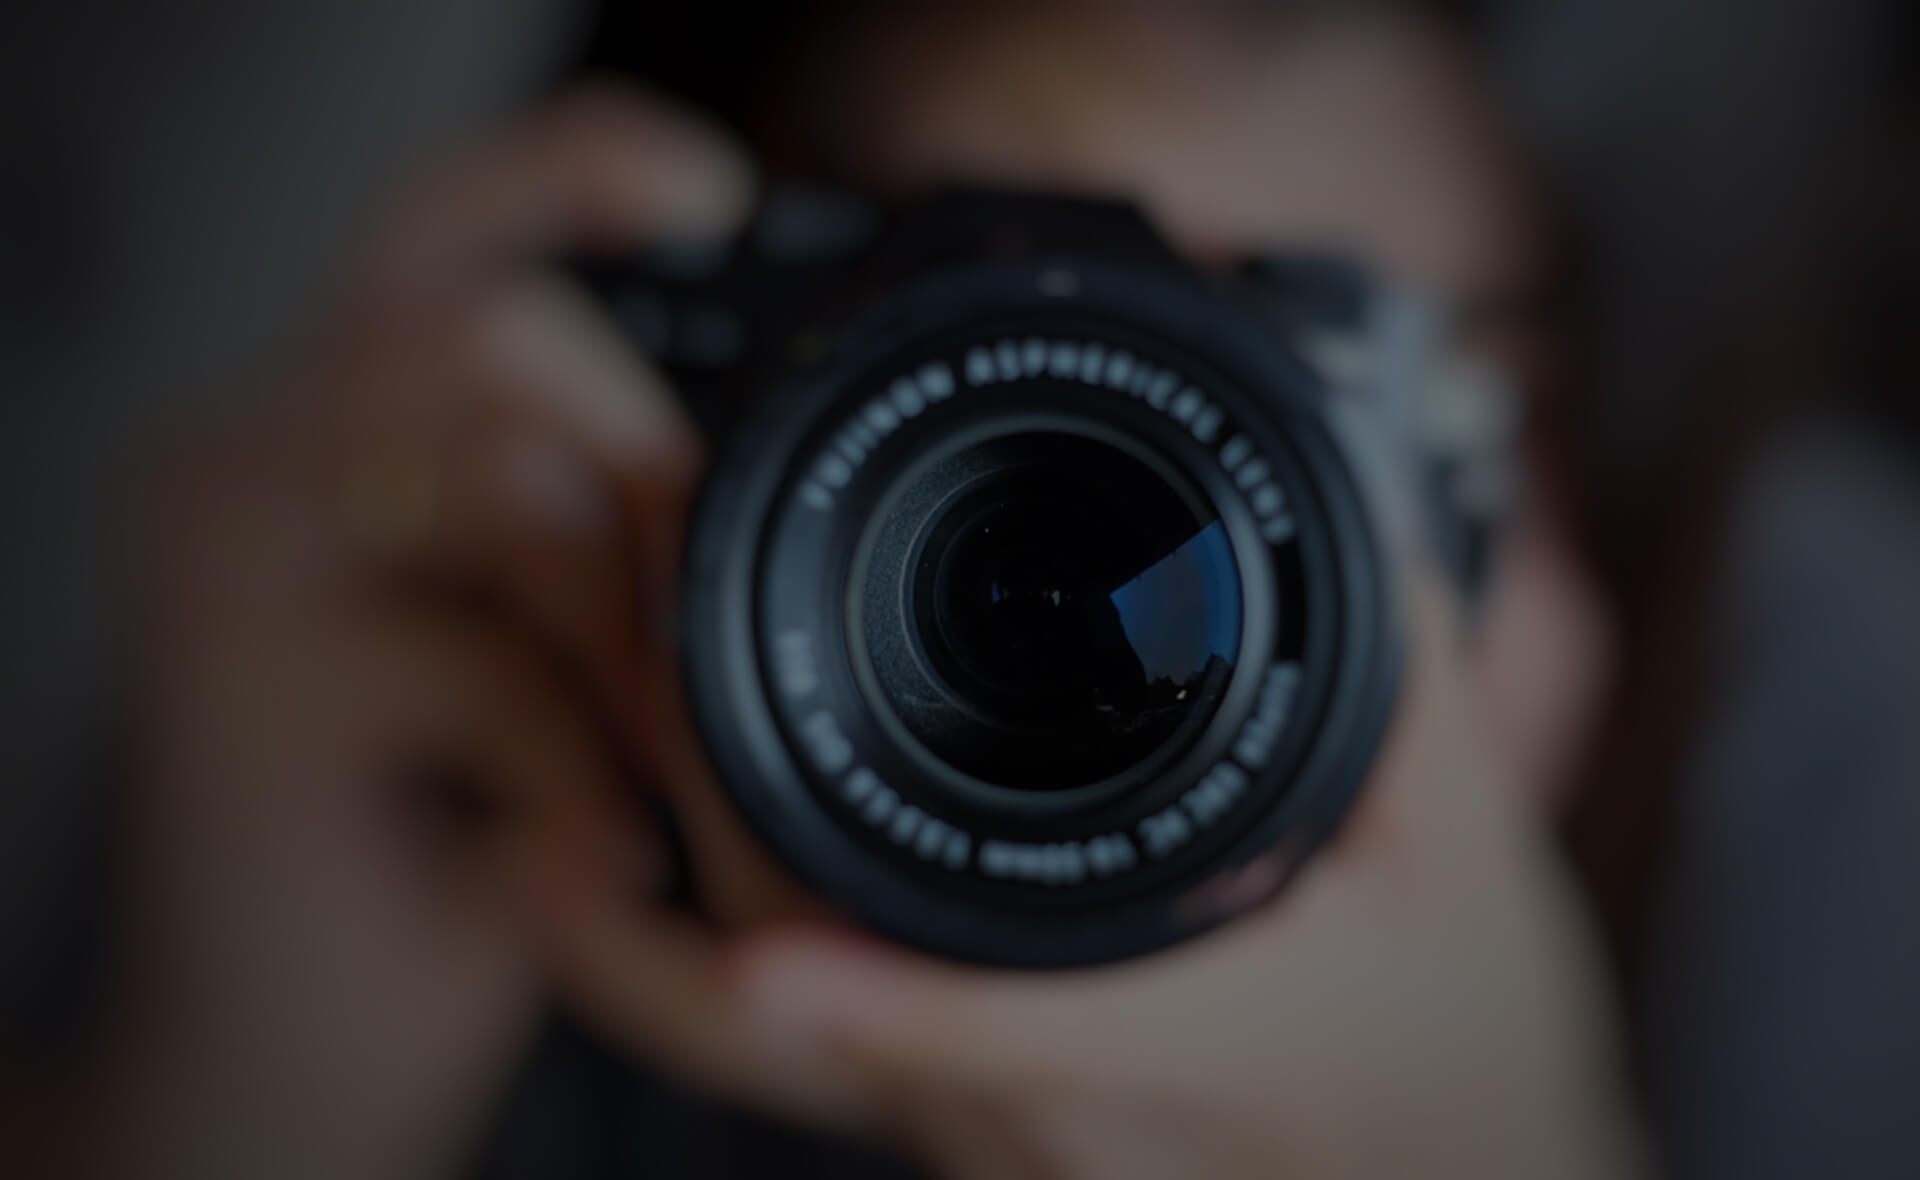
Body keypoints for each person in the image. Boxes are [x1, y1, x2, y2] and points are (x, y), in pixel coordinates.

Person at [23, 5, 1653, 1177]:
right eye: (970, 362)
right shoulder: (489, 858)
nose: (1158, 565)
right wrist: (232, 1098)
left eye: (1342, 419)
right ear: (714, 449)